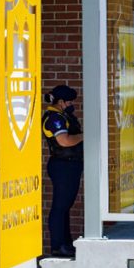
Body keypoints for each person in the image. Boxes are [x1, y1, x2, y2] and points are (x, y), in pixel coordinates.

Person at [42, 84, 83, 258]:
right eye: (68, 101)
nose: (71, 104)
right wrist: (85, 135)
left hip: (69, 165)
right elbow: (64, 141)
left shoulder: (62, 115)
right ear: (60, 102)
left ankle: (66, 243)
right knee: (60, 207)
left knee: (65, 206)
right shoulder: (54, 118)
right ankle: (58, 246)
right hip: (62, 166)